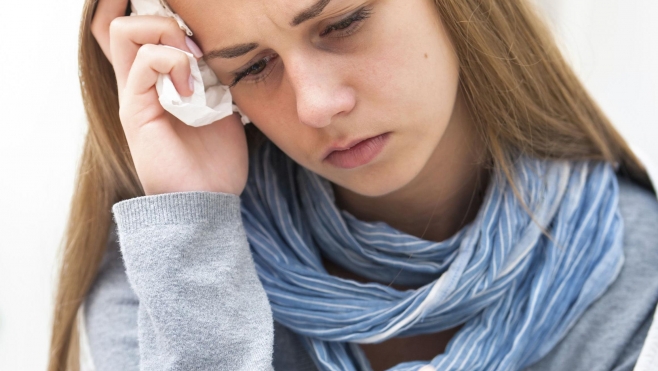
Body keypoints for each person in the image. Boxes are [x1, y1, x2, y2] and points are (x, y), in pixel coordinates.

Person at [48, 0, 658, 370]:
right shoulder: (173, 278)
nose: (317, 105)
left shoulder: (637, 277)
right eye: (252, 67)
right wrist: (197, 221)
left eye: (342, 22)